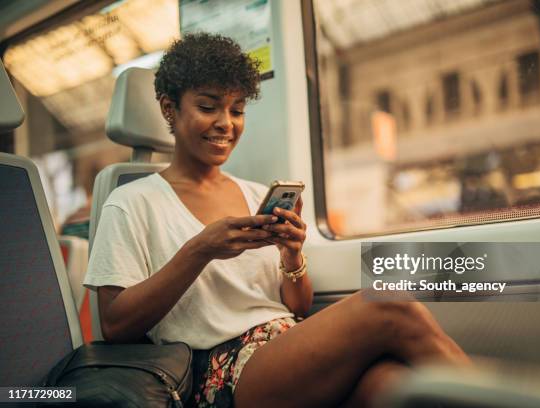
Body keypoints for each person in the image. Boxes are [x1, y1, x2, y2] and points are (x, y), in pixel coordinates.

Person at [84, 32, 469, 408]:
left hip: (282, 346)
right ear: (170, 108)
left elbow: (297, 308)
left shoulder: (254, 195)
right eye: (208, 107)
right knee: (391, 305)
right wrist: (200, 250)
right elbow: (116, 327)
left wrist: (292, 255)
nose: (226, 123)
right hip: (219, 370)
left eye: (236, 110)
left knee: (393, 387)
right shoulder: (132, 202)